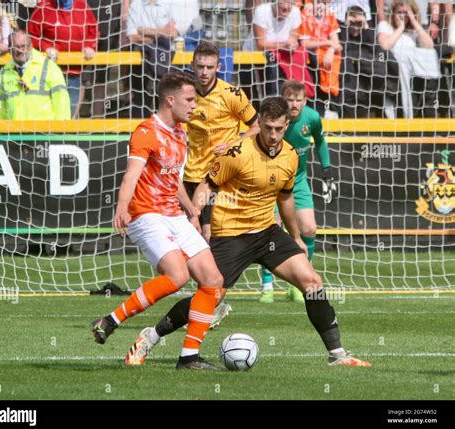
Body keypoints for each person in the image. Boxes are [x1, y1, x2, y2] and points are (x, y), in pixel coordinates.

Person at [124, 96, 372, 368]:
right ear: (261, 125)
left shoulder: (290, 155)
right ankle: (150, 337)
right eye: (267, 128)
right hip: (231, 236)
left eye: (279, 128)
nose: (273, 135)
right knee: (210, 298)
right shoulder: (237, 153)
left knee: (312, 282)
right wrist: (194, 219)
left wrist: (296, 237)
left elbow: (286, 199)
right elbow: (207, 187)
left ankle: (337, 355)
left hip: (267, 234)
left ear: (287, 125)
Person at [91, 72, 224, 371]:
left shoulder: (180, 133)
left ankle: (189, 357)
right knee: (178, 276)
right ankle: (111, 320)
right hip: (146, 214)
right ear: (170, 100)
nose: (194, 106)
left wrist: (192, 211)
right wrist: (122, 207)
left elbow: (173, 179)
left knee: (213, 281)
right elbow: (131, 175)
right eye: (190, 100)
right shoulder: (146, 132)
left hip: (173, 214)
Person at [183, 41, 260, 328]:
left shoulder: (232, 94)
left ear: (219, 67)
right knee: (190, 243)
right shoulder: (185, 94)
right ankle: (211, 296)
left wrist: (234, 142)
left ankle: (211, 299)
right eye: (200, 67)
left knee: (210, 237)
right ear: (193, 66)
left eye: (210, 67)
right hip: (189, 176)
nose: (204, 72)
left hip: (219, 178)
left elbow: (256, 126)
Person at [259, 80, 337, 303]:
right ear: (283, 99)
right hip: (272, 180)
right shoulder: (274, 120)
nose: (294, 104)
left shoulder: (311, 118)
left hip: (299, 179)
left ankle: (301, 282)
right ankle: (267, 286)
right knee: (272, 229)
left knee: (309, 228)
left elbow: (320, 141)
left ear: (305, 100)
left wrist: (327, 170)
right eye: (290, 100)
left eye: (298, 100)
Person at [28, 0, 99, 118]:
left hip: (74, 74)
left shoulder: (82, 5)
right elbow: (31, 36)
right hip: (49, 73)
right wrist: (46, 48)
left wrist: (90, 45)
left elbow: (94, 31)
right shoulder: (43, 8)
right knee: (50, 111)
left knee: (70, 112)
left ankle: (66, 135)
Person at [377, 0, 441, 118]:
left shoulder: (413, 30)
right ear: (393, 13)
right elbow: (385, 45)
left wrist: (414, 21)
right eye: (399, 12)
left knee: (432, 54)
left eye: (405, 13)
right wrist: (400, 28)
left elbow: (429, 46)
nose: (402, 16)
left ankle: (428, 110)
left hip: (414, 73)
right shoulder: (385, 26)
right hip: (393, 71)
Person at [0, 30, 71, 120]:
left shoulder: (49, 67)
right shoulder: (4, 72)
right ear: (9, 50)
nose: (20, 50)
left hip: (44, 132)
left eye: (23, 46)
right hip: (14, 132)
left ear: (31, 46)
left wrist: (61, 130)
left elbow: (61, 100)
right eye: (16, 47)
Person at [339, 5, 399, 118]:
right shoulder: (343, 35)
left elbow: (373, 47)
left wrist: (365, 25)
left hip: (367, 88)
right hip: (349, 90)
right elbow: (344, 46)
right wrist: (346, 26)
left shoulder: (367, 36)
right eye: (352, 23)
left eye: (359, 23)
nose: (356, 27)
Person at [242, 0, 305, 99]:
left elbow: (294, 37)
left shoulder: (296, 12)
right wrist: (284, 45)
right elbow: (261, 44)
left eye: (290, 3)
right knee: (271, 63)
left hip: (281, 54)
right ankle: (272, 101)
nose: (286, 7)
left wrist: (292, 44)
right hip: (255, 54)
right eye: (283, 2)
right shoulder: (262, 11)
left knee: (304, 56)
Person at [126, 0, 178, 118]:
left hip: (167, 62)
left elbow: (172, 32)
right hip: (141, 65)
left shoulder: (169, 4)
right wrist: (160, 32)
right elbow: (132, 36)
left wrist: (144, 31)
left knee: (165, 100)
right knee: (140, 101)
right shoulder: (136, 5)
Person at [298, 0, 343, 118]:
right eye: (318, 2)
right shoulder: (305, 15)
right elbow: (304, 43)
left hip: (326, 54)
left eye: (324, 3)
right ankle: (317, 108)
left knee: (338, 59)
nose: (320, 6)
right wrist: (327, 42)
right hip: (311, 55)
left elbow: (337, 43)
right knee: (315, 64)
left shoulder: (330, 15)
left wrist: (331, 50)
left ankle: (331, 104)